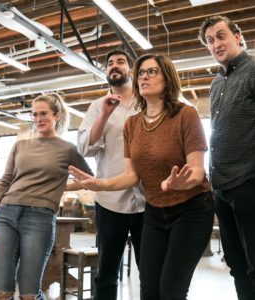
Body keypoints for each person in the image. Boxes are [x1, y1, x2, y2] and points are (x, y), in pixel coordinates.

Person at [70, 54, 214, 300]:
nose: (144, 77)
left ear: (167, 79)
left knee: (170, 289)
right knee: (145, 287)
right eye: (142, 73)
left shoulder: (185, 113)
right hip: (147, 209)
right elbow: (130, 174)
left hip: (185, 208)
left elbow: (198, 170)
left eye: (152, 72)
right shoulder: (128, 122)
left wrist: (184, 181)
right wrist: (99, 184)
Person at [0, 93, 92, 300]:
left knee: (29, 295)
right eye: (34, 114)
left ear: (56, 116)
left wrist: (60, 187)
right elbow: (5, 182)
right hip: (6, 214)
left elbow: (89, 178)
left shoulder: (68, 149)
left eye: (43, 113)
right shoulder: (20, 146)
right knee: (2, 293)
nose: (38, 119)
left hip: (39, 219)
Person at [77, 49, 145, 300]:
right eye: (109, 64)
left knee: (149, 269)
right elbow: (85, 147)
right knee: (106, 271)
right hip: (109, 201)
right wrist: (105, 114)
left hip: (148, 200)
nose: (114, 66)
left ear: (131, 70)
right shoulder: (97, 106)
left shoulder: (147, 100)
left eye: (120, 62)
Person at [199, 15, 255, 300]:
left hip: (249, 184)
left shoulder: (254, 71)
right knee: (236, 265)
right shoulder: (215, 84)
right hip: (222, 189)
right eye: (210, 41)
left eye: (221, 36)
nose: (216, 44)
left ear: (237, 35)